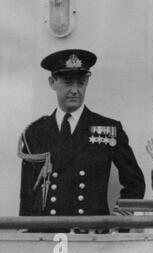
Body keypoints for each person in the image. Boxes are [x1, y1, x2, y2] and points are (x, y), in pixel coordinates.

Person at [18, 49, 146, 217]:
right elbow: (28, 193)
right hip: (46, 234)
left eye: (81, 82)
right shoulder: (34, 133)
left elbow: (135, 184)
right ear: (52, 82)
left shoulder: (107, 129)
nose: (75, 90)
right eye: (67, 82)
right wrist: (27, 234)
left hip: (90, 235)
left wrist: (116, 223)